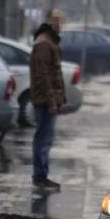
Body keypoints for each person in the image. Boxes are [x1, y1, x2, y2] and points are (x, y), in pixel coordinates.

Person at [28, 21, 67, 190]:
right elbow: (44, 76)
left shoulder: (46, 42)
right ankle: (40, 176)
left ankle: (41, 175)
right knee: (43, 140)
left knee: (44, 139)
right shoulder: (44, 44)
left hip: (46, 100)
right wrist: (52, 101)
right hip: (45, 102)